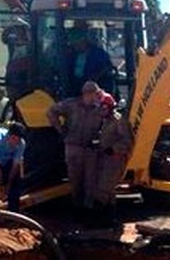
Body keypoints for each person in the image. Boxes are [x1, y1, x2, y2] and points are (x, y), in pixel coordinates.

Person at [46, 80, 109, 219]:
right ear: (86, 94)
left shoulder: (101, 108)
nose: (95, 97)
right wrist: (60, 129)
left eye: (97, 94)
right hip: (73, 147)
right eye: (93, 94)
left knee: (90, 181)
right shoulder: (71, 105)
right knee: (75, 180)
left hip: (91, 150)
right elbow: (51, 111)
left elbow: (112, 121)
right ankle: (76, 208)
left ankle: (88, 211)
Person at [91, 93, 134, 226]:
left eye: (103, 108)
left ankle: (102, 219)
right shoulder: (106, 121)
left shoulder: (118, 120)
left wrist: (114, 149)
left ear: (109, 107)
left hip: (115, 160)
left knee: (103, 189)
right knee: (108, 191)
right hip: (105, 158)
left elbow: (127, 142)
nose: (101, 111)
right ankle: (108, 220)